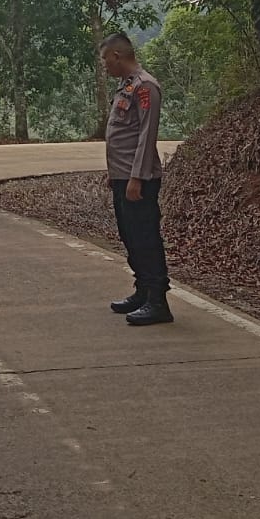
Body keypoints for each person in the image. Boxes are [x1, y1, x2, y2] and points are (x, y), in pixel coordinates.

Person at [100, 32, 173, 326]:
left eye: (105, 59)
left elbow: (146, 135)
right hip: (123, 176)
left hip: (138, 179)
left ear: (117, 56)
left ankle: (158, 301)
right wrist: (115, 174)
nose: (104, 65)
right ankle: (142, 291)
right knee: (130, 236)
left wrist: (136, 178)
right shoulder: (127, 86)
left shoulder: (146, 88)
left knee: (145, 238)